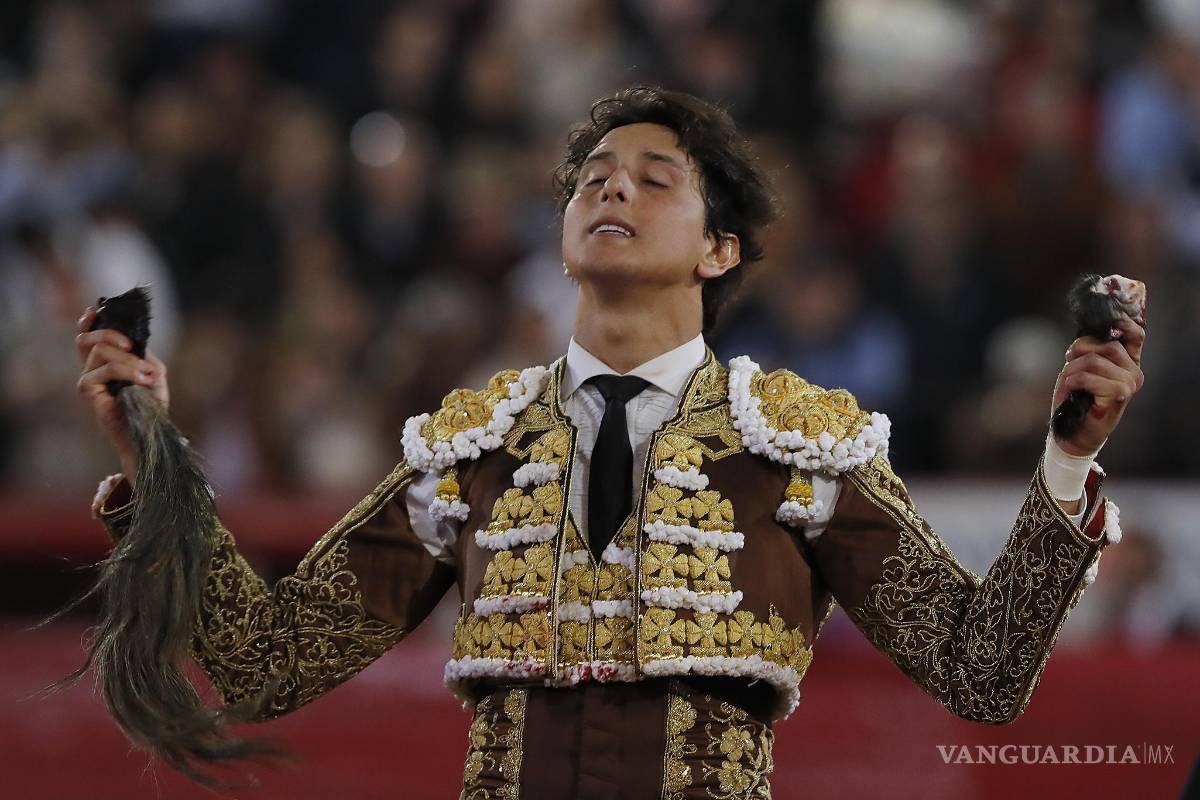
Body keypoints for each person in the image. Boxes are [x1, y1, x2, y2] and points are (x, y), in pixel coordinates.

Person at [77, 87, 1145, 799]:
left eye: (654, 175)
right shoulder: (472, 448)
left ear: (719, 248)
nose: (609, 184)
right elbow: (266, 662)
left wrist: (1066, 461)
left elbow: (983, 670)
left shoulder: (798, 446)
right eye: (591, 174)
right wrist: (151, 457)